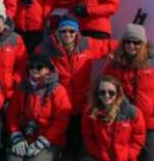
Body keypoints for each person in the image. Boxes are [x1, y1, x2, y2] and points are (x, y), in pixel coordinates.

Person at [103, 23, 154, 161]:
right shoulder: (115, 64)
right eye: (127, 42)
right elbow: (103, 86)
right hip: (122, 120)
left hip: (149, 122)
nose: (131, 45)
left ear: (143, 43)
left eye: (136, 42)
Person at [39, 16, 118, 153]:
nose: (68, 34)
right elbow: (33, 64)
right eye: (64, 31)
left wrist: (135, 49)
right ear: (58, 32)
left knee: (79, 141)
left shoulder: (86, 45)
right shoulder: (47, 49)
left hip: (82, 101)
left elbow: (111, 46)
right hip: (60, 104)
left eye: (71, 31)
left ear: (77, 33)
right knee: (63, 139)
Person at [71, 76, 148, 161]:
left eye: (111, 92)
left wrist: (128, 156)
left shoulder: (132, 112)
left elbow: (138, 138)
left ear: (118, 93)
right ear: (97, 94)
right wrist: (96, 153)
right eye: (102, 92)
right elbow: (87, 136)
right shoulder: (90, 111)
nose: (106, 96)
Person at [6, 53, 71, 161]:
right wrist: (16, 135)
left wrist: (44, 141)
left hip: (48, 139)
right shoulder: (22, 87)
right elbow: (12, 113)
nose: (34, 69)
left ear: (48, 69)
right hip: (27, 135)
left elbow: (62, 121)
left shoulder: (57, 90)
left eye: (39, 67)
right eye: (31, 67)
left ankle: (55, 154)